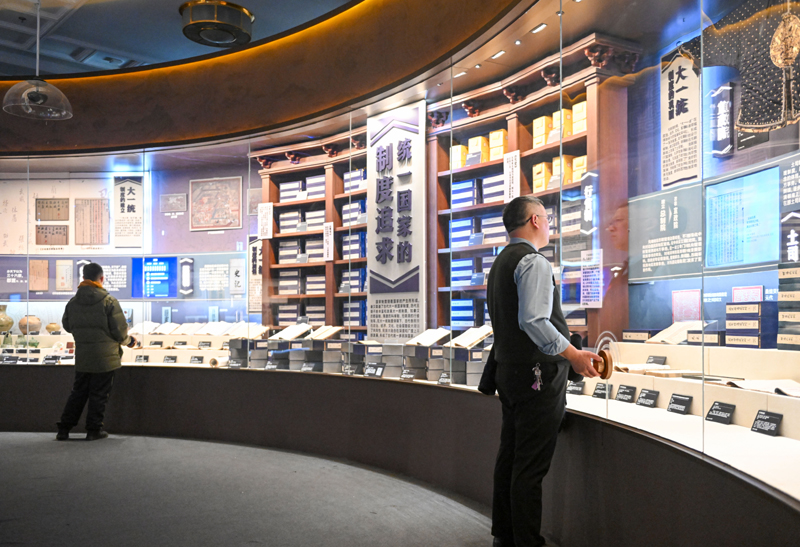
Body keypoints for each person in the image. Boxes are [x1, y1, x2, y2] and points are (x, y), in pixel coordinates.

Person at [487, 195, 601, 547]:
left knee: (510, 458)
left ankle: (505, 536)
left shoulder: (500, 262)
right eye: (547, 219)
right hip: (537, 378)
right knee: (529, 468)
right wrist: (574, 355)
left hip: (509, 375)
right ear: (535, 220)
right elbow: (534, 321)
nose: (550, 225)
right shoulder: (533, 261)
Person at [56, 263, 136, 441]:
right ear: (102, 279)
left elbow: (67, 326)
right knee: (99, 394)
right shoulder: (109, 301)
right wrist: (130, 341)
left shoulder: (73, 302)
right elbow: (119, 332)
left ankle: (64, 429)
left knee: (78, 393)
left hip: (83, 356)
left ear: (83, 278)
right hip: (105, 358)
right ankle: (93, 430)